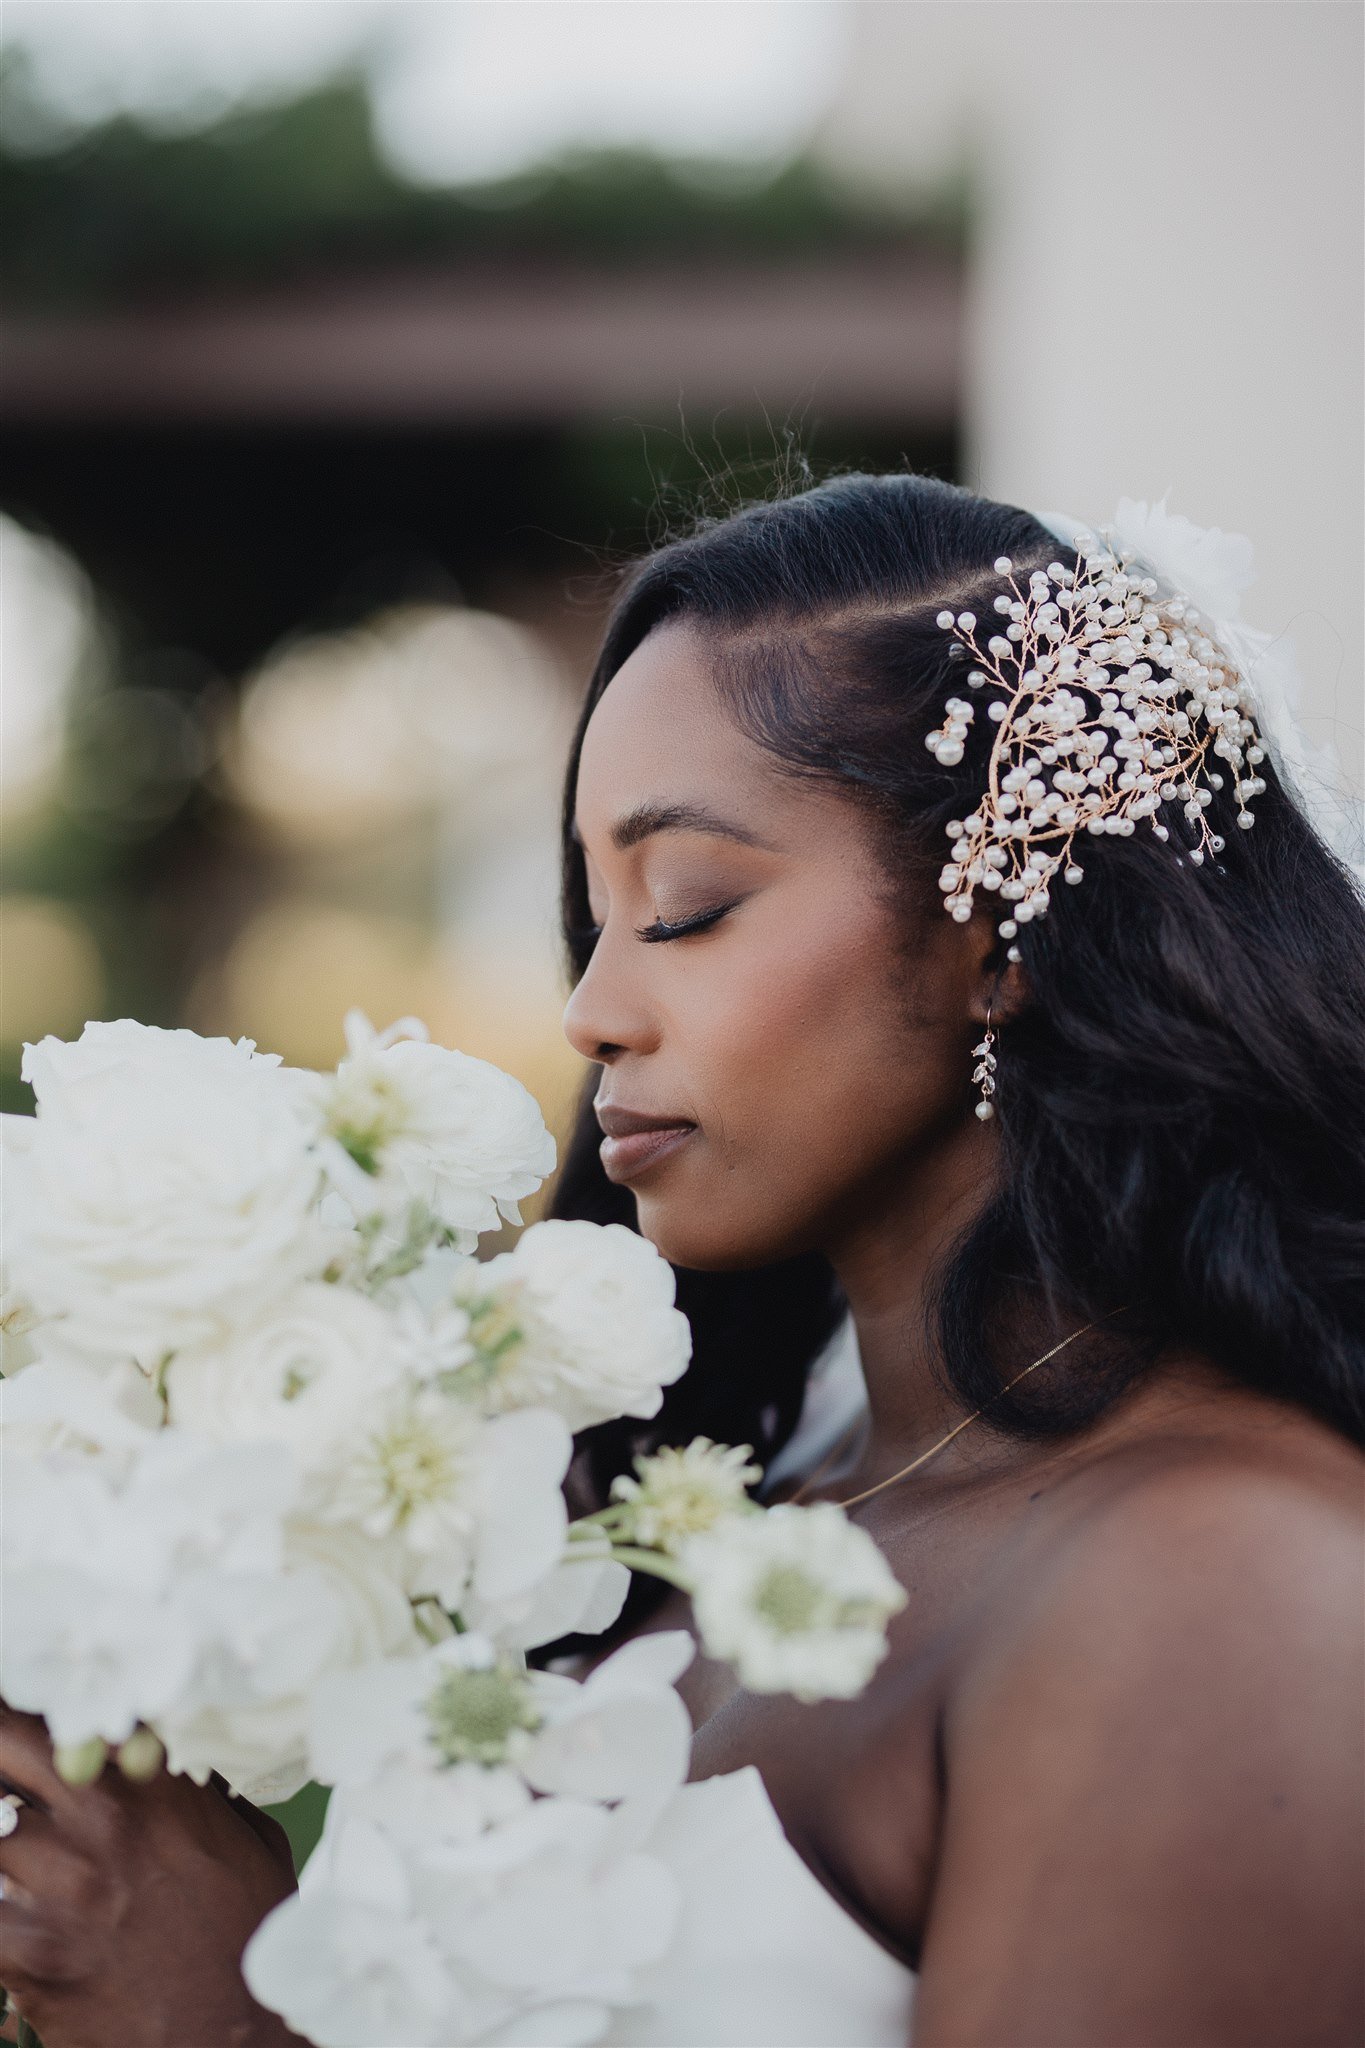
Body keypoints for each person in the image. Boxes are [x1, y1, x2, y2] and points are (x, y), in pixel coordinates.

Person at [2, 474, 1362, 2047]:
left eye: (688, 906)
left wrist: (227, 2028)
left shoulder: (1218, 1587)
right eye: (590, 916)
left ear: (998, 929)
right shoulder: (724, 1511)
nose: (590, 1012)